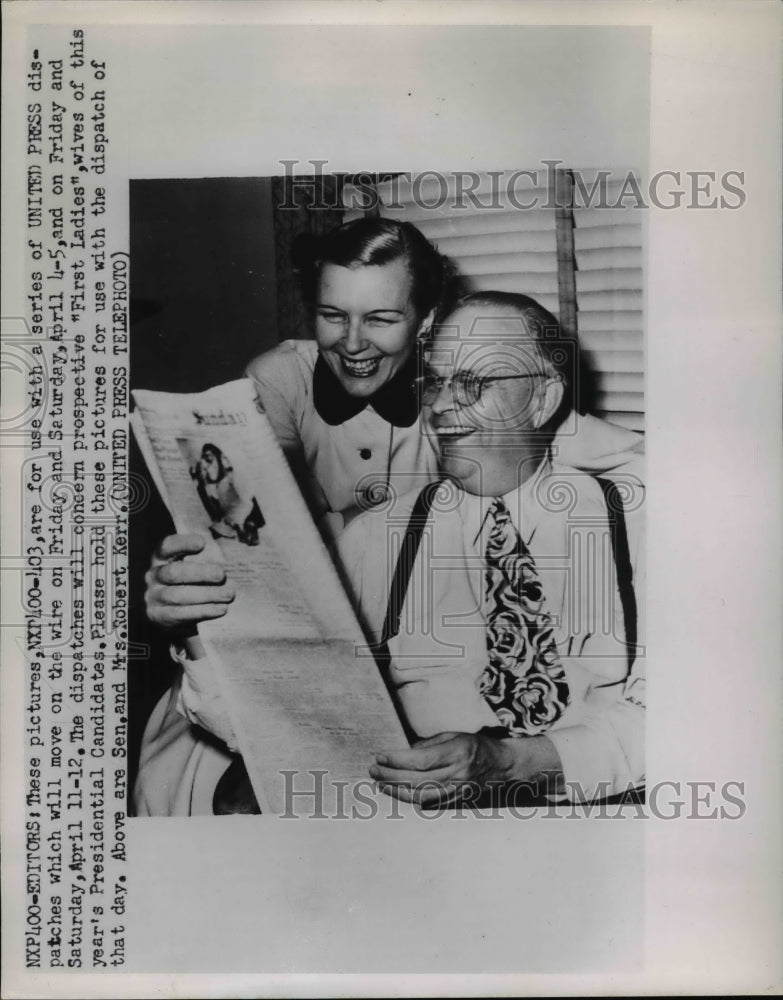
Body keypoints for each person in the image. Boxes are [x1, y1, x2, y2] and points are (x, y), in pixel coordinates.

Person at [135, 291, 644, 814]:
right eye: (435, 383)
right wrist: (198, 626)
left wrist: (517, 761)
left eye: (473, 383)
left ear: (543, 399)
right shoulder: (376, 538)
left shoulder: (636, 523)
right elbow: (280, 723)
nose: (442, 407)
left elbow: (686, 720)